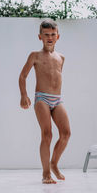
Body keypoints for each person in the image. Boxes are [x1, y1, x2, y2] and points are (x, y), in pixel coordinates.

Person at [19, 19, 71, 184]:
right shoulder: (35, 55)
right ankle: (46, 173)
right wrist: (24, 95)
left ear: (58, 36)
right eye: (46, 34)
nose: (50, 37)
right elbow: (23, 76)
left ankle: (54, 163)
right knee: (47, 134)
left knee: (66, 133)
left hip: (57, 99)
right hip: (41, 98)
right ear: (40, 36)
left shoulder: (61, 57)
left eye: (52, 35)